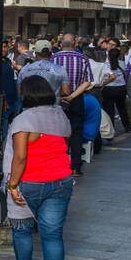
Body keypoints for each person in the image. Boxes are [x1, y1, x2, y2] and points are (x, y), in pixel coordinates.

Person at [2, 76, 74, 260]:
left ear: (26, 94)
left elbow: (20, 157)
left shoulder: (24, 120)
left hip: (30, 183)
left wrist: (12, 185)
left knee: (22, 230)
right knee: (52, 236)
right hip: (61, 180)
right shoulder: (60, 116)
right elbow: (64, 144)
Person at [52, 36, 92, 176]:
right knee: (76, 131)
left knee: (58, 132)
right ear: (75, 44)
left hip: (58, 99)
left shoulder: (54, 58)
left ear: (61, 44)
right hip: (76, 98)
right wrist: (73, 95)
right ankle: (75, 167)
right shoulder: (83, 59)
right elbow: (88, 81)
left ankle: (59, 164)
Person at [99, 47, 131, 135]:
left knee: (109, 110)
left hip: (108, 88)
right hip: (121, 88)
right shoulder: (122, 63)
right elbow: (125, 74)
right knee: (122, 108)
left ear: (108, 56)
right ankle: (127, 126)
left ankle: (110, 129)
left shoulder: (104, 65)